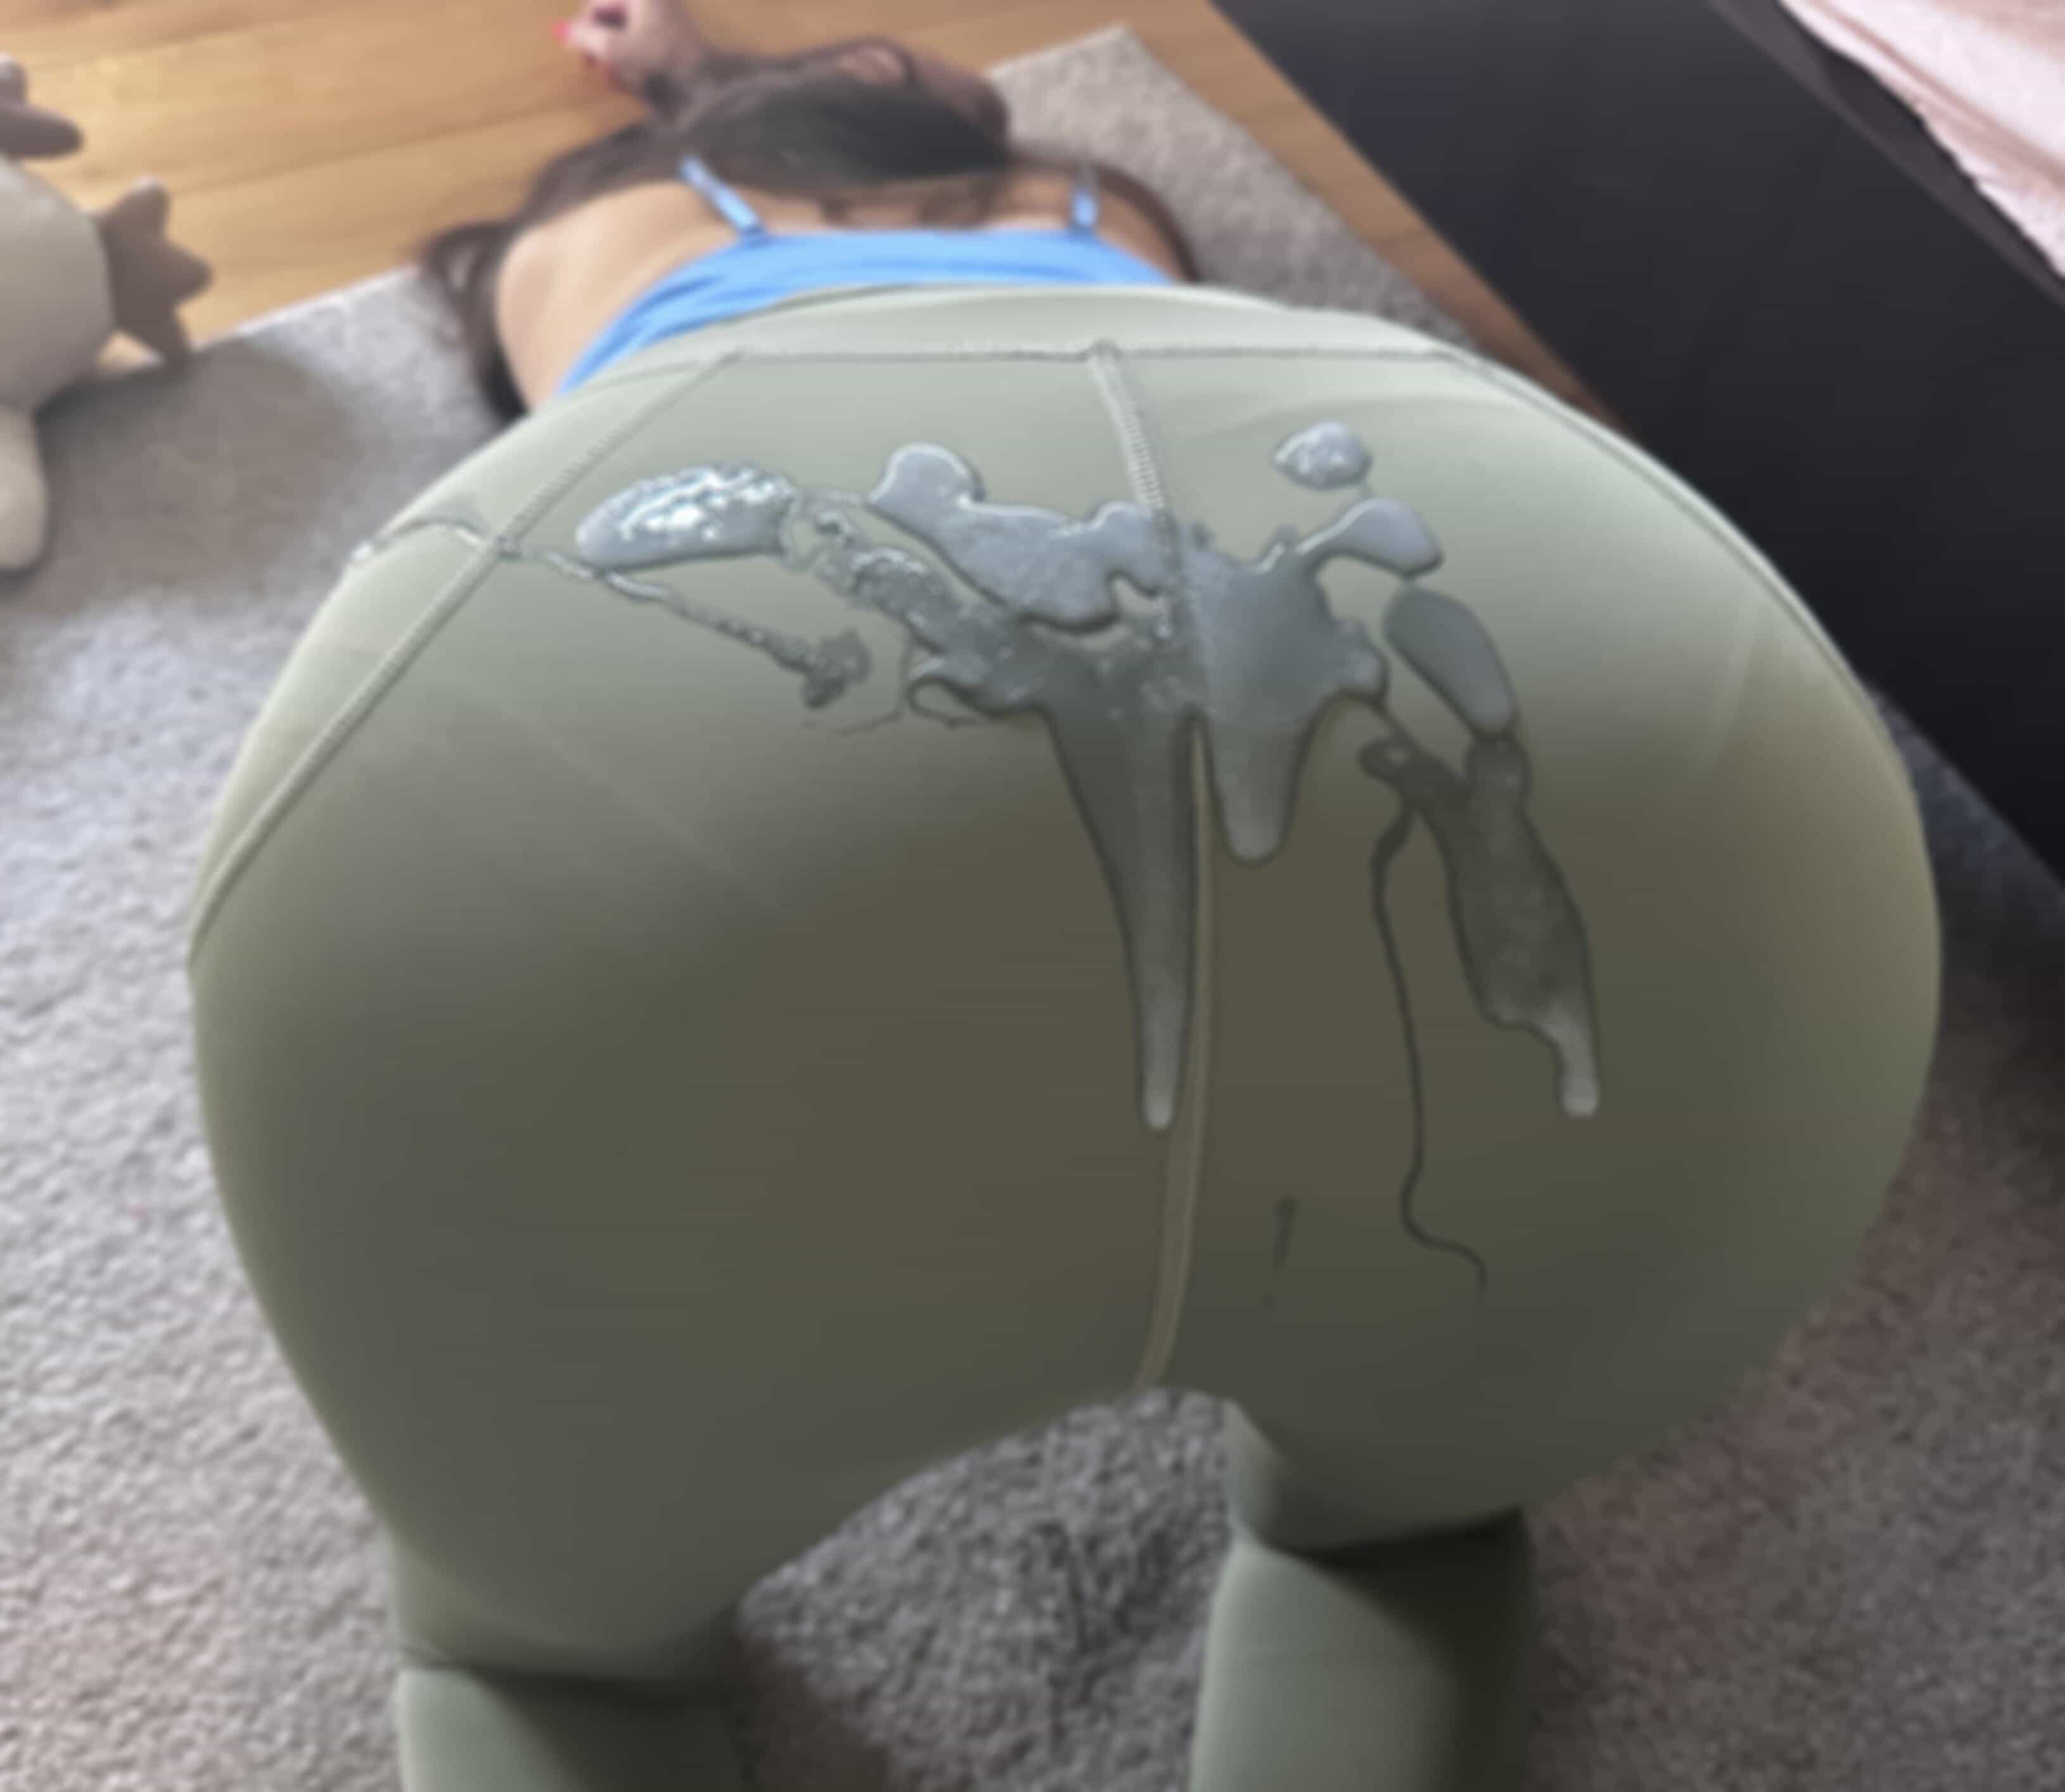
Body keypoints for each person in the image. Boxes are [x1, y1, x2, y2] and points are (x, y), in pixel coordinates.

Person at [184, 6, 1942, 1789]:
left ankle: (559, 1682)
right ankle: (1391, 1551)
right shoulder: (1099, 199)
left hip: (654, 763)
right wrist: (702, 63)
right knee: (1401, 1541)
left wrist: (673, 81)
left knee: (548, 1660)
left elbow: (740, 181)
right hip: (1625, 668)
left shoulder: (579, 232)